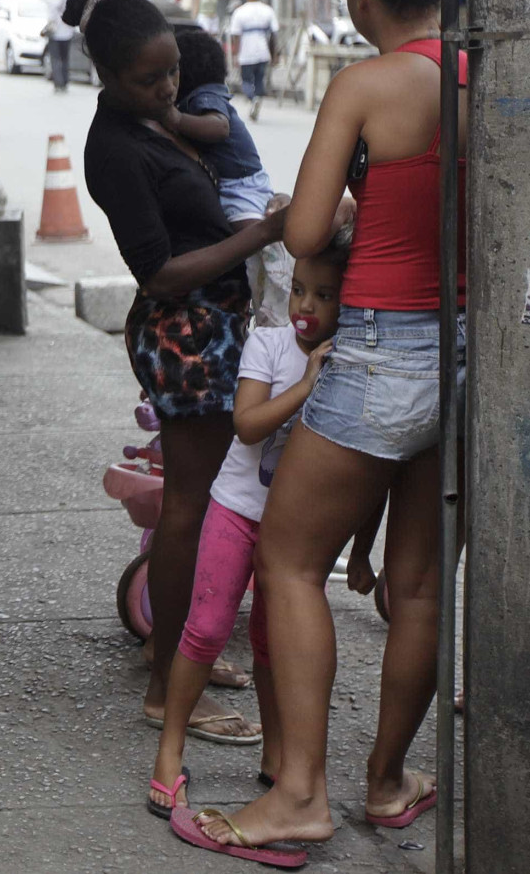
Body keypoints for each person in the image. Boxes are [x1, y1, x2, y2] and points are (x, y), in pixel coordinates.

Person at [187, 0, 460, 861]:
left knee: (290, 561)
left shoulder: (366, 83)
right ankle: (387, 781)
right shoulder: (479, 72)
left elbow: (305, 234)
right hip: (463, 354)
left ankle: (299, 793)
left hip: (382, 344)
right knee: (419, 585)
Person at [71, 0, 290, 754]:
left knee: (206, 502)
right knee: (191, 508)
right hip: (185, 333)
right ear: (104, 73)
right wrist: (260, 232)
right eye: (148, 79)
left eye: (170, 74)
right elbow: (160, 271)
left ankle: (177, 656)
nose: (166, 90)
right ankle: (168, 685)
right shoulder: (115, 148)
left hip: (212, 323)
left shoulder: (152, 121)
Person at [148, 239, 349, 823]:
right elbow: (245, 423)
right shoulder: (269, 344)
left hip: (294, 528)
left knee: (273, 643)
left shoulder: (350, 360)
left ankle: (277, 755)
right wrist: (307, 385)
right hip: (236, 509)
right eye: (299, 291)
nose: (306, 305)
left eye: (326, 295)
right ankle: (169, 752)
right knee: (207, 627)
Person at [170, 25, 291, 325]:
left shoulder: (202, 97)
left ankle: (281, 274)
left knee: (253, 236)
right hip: (237, 183)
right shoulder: (198, 97)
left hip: (241, 184)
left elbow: (218, 127)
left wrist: (174, 119)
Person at [228, 0, 279, 122]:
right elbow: (274, 34)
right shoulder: (268, 10)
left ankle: (252, 98)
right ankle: (256, 99)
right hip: (263, 51)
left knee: (246, 81)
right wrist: (274, 54)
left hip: (246, 52)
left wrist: (235, 55)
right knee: (259, 80)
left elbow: (236, 36)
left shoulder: (239, 12)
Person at [43, 0, 76, 91]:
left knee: (55, 59)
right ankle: (65, 82)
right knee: (65, 58)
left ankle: (58, 83)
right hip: (67, 32)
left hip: (55, 32)